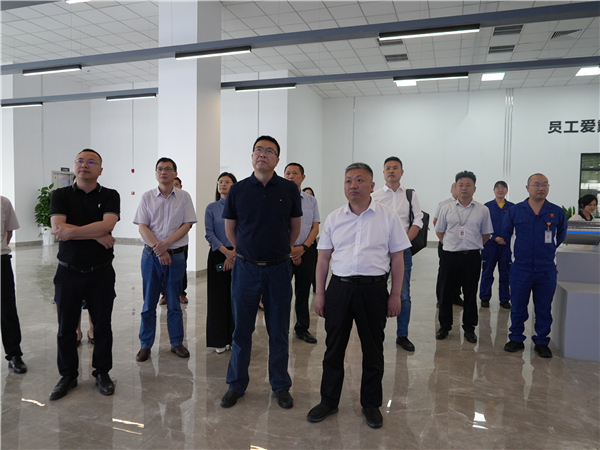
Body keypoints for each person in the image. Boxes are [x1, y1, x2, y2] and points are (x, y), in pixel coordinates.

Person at [307, 163, 410, 429]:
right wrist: (320, 293)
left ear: (372, 186)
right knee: (334, 348)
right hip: (339, 289)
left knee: (373, 350)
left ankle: (371, 404)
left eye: (360, 180)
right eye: (348, 180)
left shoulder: (388, 217)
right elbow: (323, 259)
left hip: (373, 290)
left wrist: (395, 295)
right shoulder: (334, 218)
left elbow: (397, 258)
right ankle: (329, 401)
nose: (353, 185)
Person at [220, 135, 302, 409]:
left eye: (269, 151)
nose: (262, 154)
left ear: (277, 159)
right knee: (242, 330)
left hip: (278, 269)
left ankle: (280, 385)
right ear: (252, 156)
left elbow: (295, 227)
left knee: (278, 331)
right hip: (246, 269)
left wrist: (281, 250)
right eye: (258, 150)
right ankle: (236, 384)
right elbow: (231, 230)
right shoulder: (238, 190)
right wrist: (246, 251)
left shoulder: (289, 189)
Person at [49, 148, 120, 400]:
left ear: (100, 170)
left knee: (102, 326)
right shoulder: (60, 195)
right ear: (74, 166)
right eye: (80, 161)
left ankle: (102, 372)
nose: (84, 165)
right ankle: (68, 375)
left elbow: (108, 224)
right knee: (66, 327)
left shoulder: (110, 195)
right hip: (68, 272)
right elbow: (57, 227)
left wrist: (74, 231)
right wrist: (98, 235)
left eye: (91, 162)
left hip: (101, 272)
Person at [133, 157, 197, 363]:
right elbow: (142, 226)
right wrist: (159, 250)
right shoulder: (147, 197)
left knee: (174, 302)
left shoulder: (184, 197)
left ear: (175, 173)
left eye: (168, 169)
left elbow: (187, 225)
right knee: (149, 302)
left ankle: (176, 342)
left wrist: (166, 244)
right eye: (159, 169)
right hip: (150, 256)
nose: (163, 172)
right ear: (155, 173)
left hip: (176, 256)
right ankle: (145, 345)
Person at [502, 174, 567, 358]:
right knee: (518, 306)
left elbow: (560, 235)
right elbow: (506, 233)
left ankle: (541, 341)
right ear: (527, 187)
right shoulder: (516, 210)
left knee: (543, 308)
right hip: (521, 268)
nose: (541, 188)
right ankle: (516, 338)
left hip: (546, 269)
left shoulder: (556, 212)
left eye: (545, 185)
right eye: (537, 184)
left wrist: (545, 251)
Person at [435, 171, 493, 344]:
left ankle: (469, 328)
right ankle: (445, 326)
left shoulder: (482, 210)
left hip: (472, 257)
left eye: (468, 185)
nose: (464, 188)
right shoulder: (446, 208)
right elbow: (439, 231)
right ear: (455, 187)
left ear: (474, 188)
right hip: (449, 256)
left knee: (470, 293)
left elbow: (486, 234)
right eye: (461, 185)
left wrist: (471, 245)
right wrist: (450, 245)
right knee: (445, 293)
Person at [372, 157, 423, 352]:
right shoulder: (374, 196)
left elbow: (418, 220)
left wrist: (403, 243)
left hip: (402, 252)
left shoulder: (410, 195)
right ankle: (376, 333)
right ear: (383, 172)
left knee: (403, 294)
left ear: (402, 172)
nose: (391, 171)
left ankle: (402, 335)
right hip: (380, 252)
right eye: (388, 168)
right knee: (377, 292)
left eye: (395, 168)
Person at [284, 163, 320, 344]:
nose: (291, 176)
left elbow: (315, 227)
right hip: (284, 252)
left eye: (294, 173)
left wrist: (303, 248)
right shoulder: (278, 198)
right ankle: (281, 328)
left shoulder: (311, 200)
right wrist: (291, 250)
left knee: (303, 291)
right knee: (282, 292)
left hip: (306, 251)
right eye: (288, 173)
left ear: (303, 177)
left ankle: (302, 328)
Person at [205, 172, 237, 354]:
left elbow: (244, 231)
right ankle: (218, 339)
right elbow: (209, 234)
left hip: (238, 255)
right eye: (220, 182)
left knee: (235, 297)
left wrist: (233, 255)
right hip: (218, 256)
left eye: (227, 182)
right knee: (217, 298)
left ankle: (234, 337)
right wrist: (226, 254)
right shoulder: (211, 208)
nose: (223, 184)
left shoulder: (240, 206)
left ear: (234, 185)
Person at [1, 196, 27, 374]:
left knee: (7, 309)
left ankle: (14, 354)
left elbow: (8, 232)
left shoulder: (3, 202)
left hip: (1, 260)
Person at [479, 181, 515, 309]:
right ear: (494, 190)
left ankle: (504, 299)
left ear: (507, 191)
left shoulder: (512, 208)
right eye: (498, 188)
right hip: (490, 245)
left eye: (503, 188)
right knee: (487, 272)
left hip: (506, 245)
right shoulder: (486, 207)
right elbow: (482, 226)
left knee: (505, 273)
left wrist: (506, 239)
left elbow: (515, 227)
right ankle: (484, 297)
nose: (500, 190)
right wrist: (494, 237)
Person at [433, 183, 464, 308]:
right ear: (452, 190)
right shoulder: (444, 204)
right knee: (444, 272)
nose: (460, 189)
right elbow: (436, 222)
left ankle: (456, 296)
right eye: (457, 187)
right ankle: (441, 298)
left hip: (461, 245)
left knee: (459, 271)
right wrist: (444, 240)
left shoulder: (466, 205)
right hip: (446, 244)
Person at [159, 176, 189, 305]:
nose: (174, 186)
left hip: (179, 243)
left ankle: (181, 293)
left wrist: (171, 240)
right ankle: (165, 294)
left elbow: (187, 223)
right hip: (160, 244)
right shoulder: (156, 199)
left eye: (176, 184)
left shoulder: (184, 198)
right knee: (162, 270)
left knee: (181, 269)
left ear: (180, 186)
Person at [302, 187, 319, 294]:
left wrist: (304, 248)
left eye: (310, 194)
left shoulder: (312, 202)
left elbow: (315, 228)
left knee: (304, 289)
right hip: (288, 251)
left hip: (307, 248)